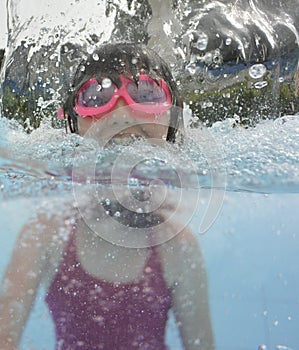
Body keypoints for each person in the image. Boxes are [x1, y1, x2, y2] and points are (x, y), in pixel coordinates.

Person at [0, 43, 215, 350]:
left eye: (146, 94)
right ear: (71, 124)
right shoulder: (47, 234)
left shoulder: (177, 247)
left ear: (174, 120)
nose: (123, 111)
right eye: (97, 96)